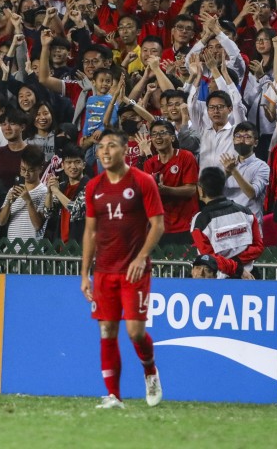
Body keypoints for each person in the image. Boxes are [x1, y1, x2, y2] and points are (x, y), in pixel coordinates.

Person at [80, 129, 165, 409]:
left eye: (112, 146)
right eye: (101, 147)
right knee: (106, 330)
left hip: (133, 271)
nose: (105, 151)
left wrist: (141, 257)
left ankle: (150, 370)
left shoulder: (142, 181)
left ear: (125, 150)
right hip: (104, 271)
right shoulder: (94, 186)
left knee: (135, 333)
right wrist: (85, 274)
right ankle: (113, 396)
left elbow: (158, 224)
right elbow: (90, 232)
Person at [190, 167, 264, 278]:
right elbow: (258, 247)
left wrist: (235, 267)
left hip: (220, 281)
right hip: (249, 276)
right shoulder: (247, 213)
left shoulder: (199, 221)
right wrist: (237, 264)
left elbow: (209, 258)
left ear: (201, 190)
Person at [141, 120, 199, 246]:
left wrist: (165, 190)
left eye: (162, 133)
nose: (158, 137)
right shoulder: (149, 164)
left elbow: (191, 190)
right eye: (154, 134)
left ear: (172, 137)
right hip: (162, 227)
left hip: (187, 224)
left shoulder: (186, 157)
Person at [0, 145, 49, 240]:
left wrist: (28, 201)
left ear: (41, 169)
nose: (26, 174)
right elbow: (1, 222)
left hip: (33, 247)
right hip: (12, 247)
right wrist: (9, 203)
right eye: (23, 169)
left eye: (31, 170)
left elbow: (38, 226)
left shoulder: (45, 192)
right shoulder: (13, 190)